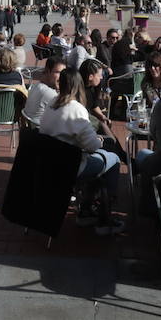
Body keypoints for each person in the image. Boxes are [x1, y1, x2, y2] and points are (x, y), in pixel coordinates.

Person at [39, 69, 123, 235]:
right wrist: (99, 140)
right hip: (71, 166)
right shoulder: (76, 109)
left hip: (49, 165)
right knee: (113, 159)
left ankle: (86, 210)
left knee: (96, 164)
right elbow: (92, 146)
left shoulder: (51, 104)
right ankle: (104, 217)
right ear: (79, 86)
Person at [22, 55, 64, 127]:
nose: (62, 77)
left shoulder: (35, 86)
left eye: (63, 73)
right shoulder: (49, 94)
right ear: (47, 71)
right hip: (43, 133)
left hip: (31, 132)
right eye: (57, 72)